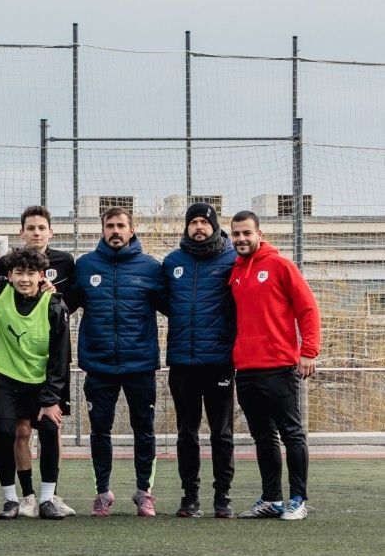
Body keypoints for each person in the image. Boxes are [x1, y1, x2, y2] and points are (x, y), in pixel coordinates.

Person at [64, 206, 167, 517]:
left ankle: (144, 493)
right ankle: (102, 493)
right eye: (110, 225)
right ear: (102, 229)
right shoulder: (85, 266)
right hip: (99, 364)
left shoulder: (151, 267)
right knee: (99, 431)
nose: (115, 231)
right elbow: (62, 308)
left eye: (121, 225)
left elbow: (174, 308)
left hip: (140, 364)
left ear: (132, 229)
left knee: (144, 430)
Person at [229, 211, 321, 520]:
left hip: (280, 367)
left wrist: (309, 351)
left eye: (246, 233)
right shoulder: (235, 272)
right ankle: (272, 499)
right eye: (236, 234)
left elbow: (308, 309)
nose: (241, 239)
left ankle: (298, 499)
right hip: (246, 369)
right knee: (263, 437)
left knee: (291, 434)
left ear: (259, 233)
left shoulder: (281, 266)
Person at [162, 201, 238, 518]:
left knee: (221, 433)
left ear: (214, 226)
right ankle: (189, 497)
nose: (198, 227)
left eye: (204, 222)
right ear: (186, 227)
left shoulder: (233, 259)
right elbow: (162, 301)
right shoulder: (172, 262)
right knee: (186, 433)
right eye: (193, 222)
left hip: (219, 361)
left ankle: (223, 497)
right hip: (182, 362)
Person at [1, 205, 77, 517]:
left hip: (48, 367)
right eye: (29, 227)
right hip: (14, 371)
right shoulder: (3, 277)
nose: (35, 232)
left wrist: (53, 297)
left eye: (40, 227)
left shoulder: (65, 267)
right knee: (19, 432)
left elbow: (74, 301)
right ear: (21, 232)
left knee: (50, 428)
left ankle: (50, 494)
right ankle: (27, 495)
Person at [0, 248, 71, 519]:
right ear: (9, 275)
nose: (25, 279)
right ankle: (13, 499)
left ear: (42, 276)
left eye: (31, 273)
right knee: (6, 432)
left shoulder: (55, 305)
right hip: (5, 377)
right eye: (19, 273)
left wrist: (50, 399)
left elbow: (60, 357)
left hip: (42, 381)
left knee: (48, 428)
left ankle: (47, 499)